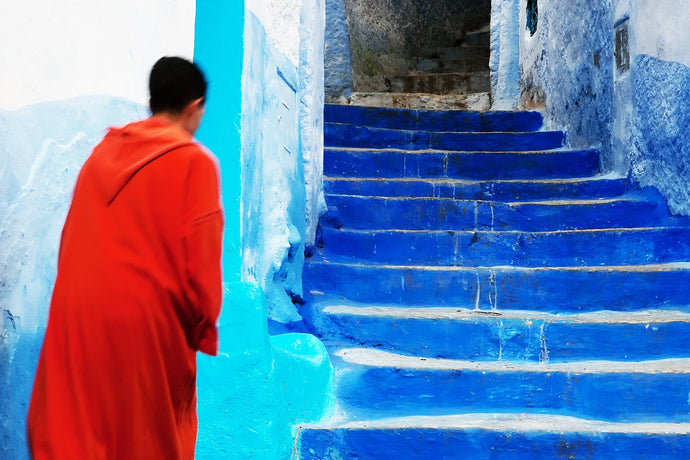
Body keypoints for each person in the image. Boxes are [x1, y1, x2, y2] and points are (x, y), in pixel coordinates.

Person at [27, 56, 224, 459]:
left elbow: (72, 236)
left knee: (81, 432)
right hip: (146, 326)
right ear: (193, 107)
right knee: (143, 437)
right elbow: (202, 273)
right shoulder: (194, 162)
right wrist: (203, 325)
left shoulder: (101, 154)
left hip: (77, 316)